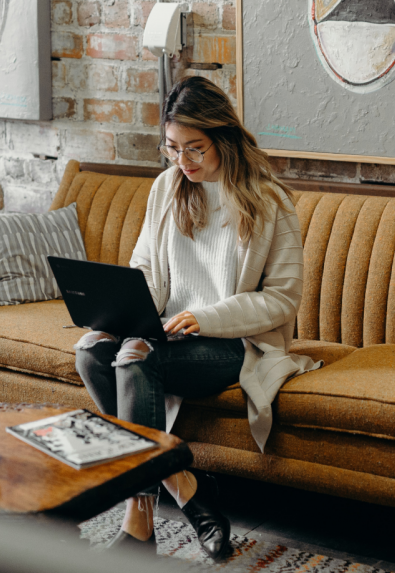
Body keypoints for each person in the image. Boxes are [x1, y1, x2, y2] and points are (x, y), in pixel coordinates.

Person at [74, 76, 320, 560]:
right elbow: (144, 266)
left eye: (195, 149)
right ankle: (186, 484)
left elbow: (283, 299)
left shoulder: (269, 201)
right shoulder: (167, 187)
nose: (182, 162)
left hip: (232, 341)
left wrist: (204, 317)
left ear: (223, 138)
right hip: (166, 329)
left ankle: (138, 525)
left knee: (135, 359)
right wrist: (122, 312)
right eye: (172, 148)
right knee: (93, 351)